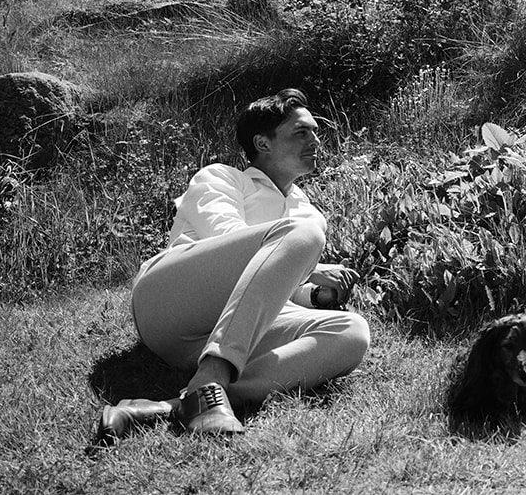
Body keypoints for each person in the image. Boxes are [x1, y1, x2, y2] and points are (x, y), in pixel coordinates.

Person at [94, 88, 371, 444]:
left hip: (222, 336)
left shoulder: (307, 211)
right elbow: (226, 236)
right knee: (304, 231)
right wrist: (307, 261)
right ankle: (208, 381)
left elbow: (267, 285)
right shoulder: (222, 178)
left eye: (315, 131)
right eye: (302, 132)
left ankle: (177, 403)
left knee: (352, 331)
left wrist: (314, 295)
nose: (316, 140)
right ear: (263, 143)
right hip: (170, 304)